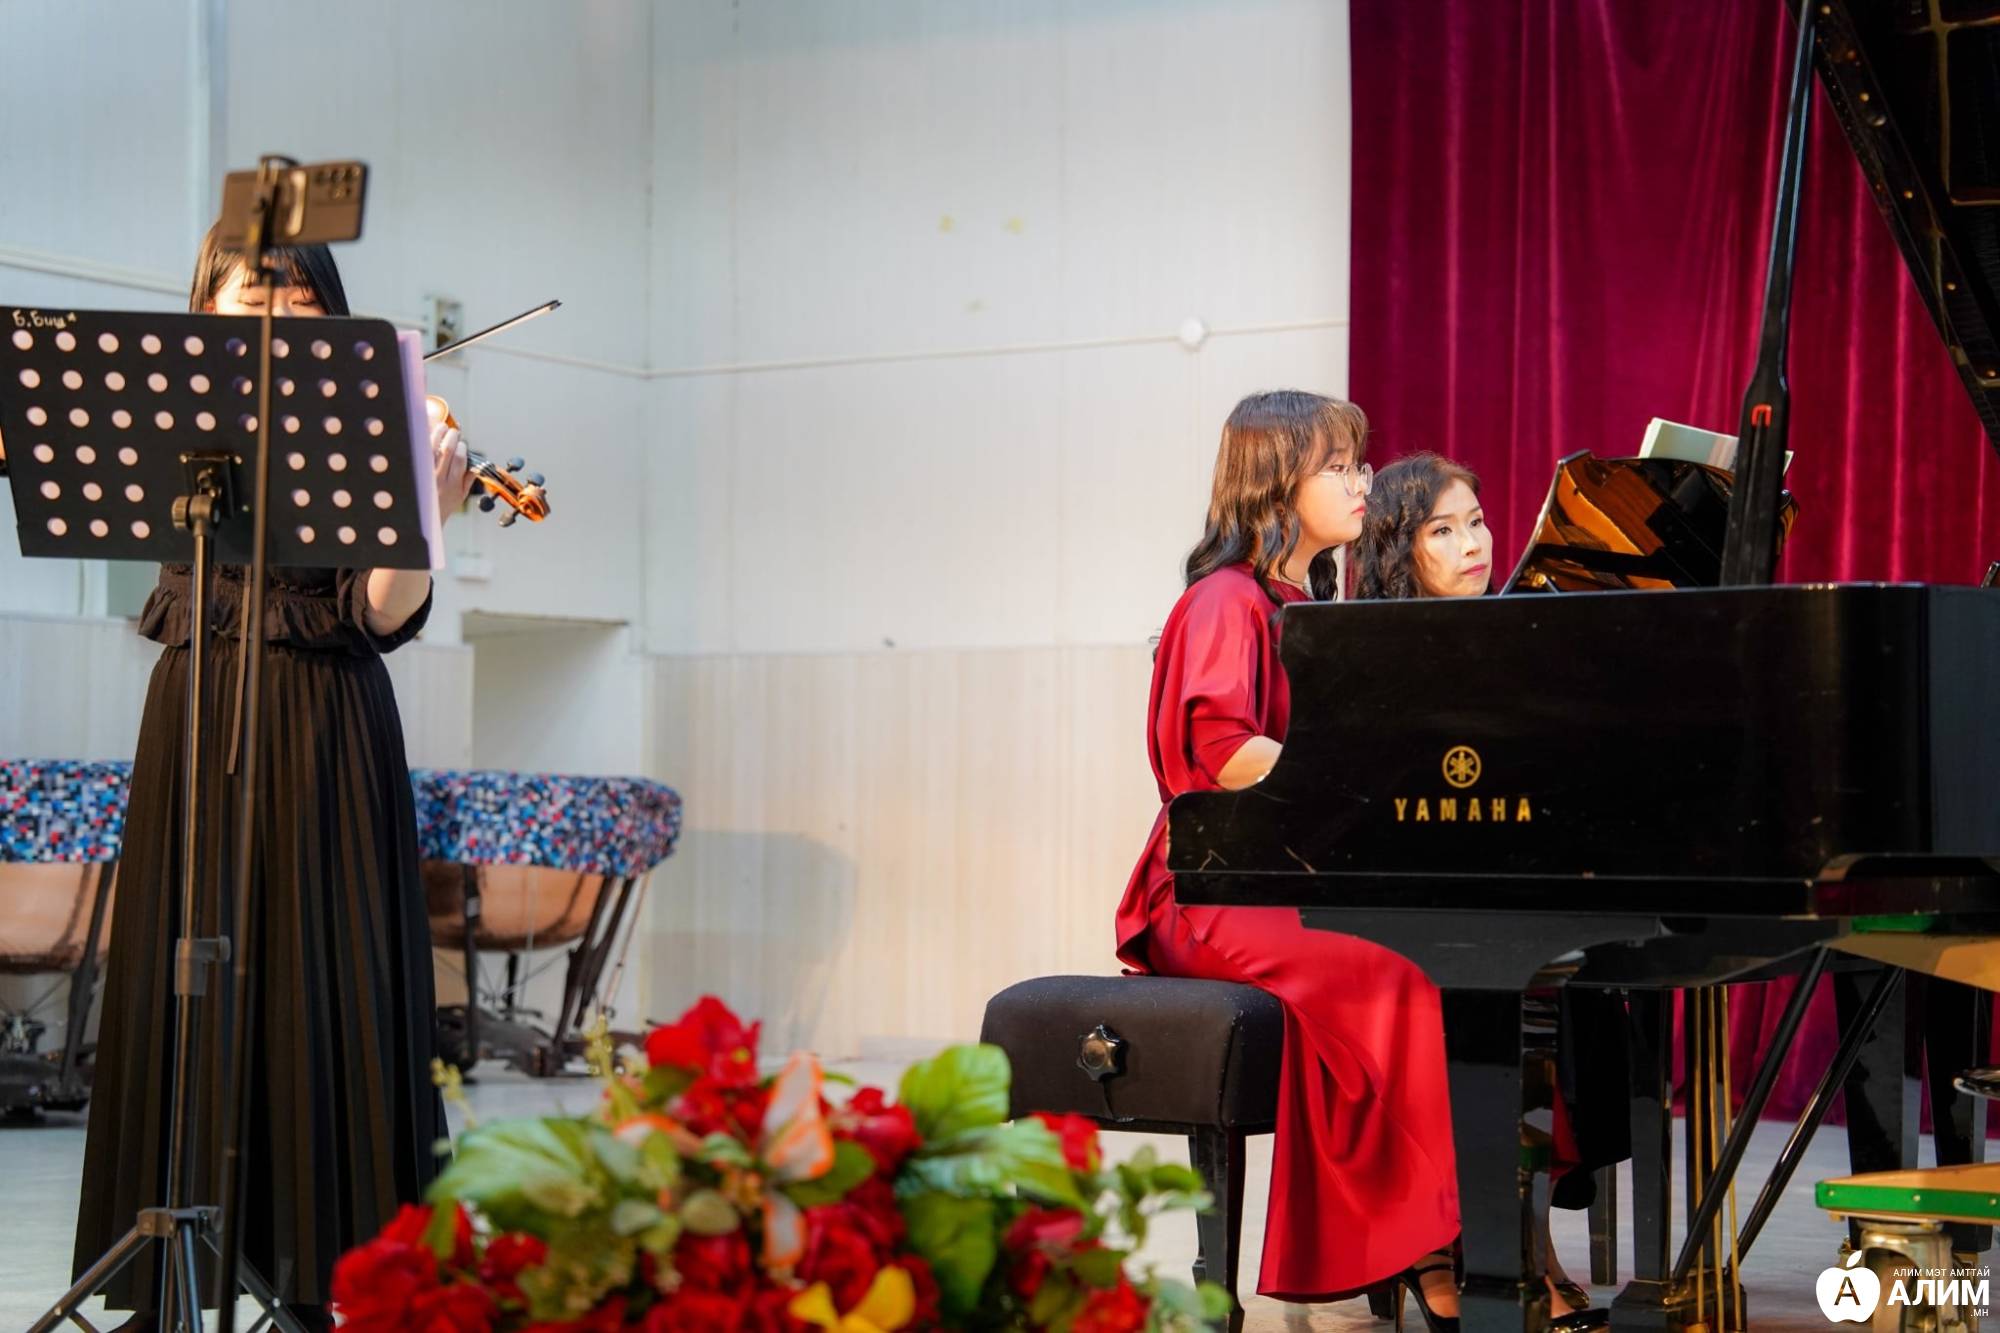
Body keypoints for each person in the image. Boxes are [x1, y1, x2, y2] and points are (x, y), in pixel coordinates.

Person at [70, 226, 474, 1331]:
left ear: (331, 318)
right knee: (180, 980)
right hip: (197, 711)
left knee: (322, 988)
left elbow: (377, 612)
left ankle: (315, 1279)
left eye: (297, 304)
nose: (272, 321)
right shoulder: (168, 415)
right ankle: (162, 1283)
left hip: (324, 721)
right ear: (202, 311)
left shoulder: (368, 422)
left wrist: (423, 512)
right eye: (249, 299)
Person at [1115, 390, 1486, 1322]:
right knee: (1392, 967)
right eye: (1339, 467)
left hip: (1277, 878)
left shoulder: (1299, 604)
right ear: (1277, 481)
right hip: (1209, 890)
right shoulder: (1224, 599)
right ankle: (1420, 1241)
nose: (1363, 483)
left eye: (1361, 464)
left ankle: (1415, 1230)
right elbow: (1223, 752)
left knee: (1436, 953)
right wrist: (1358, 781)